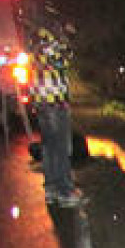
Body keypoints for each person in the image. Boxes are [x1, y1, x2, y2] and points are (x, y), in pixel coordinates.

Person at [27, 23, 82, 207]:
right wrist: (67, 39)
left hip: (43, 102)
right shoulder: (48, 42)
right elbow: (62, 61)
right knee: (60, 146)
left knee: (50, 146)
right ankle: (65, 191)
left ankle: (51, 188)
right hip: (54, 102)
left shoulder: (34, 40)